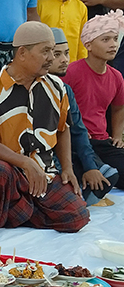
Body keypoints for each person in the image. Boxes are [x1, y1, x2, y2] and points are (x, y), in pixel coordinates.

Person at [0, 22, 89, 232]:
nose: (51, 58)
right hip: (9, 174)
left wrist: (68, 169)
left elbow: (63, 129)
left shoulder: (57, 87)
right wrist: (25, 163)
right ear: (22, 53)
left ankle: (9, 212)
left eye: (53, 51)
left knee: (78, 216)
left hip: (45, 174)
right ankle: (15, 209)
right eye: (46, 51)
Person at [48, 27, 118, 205]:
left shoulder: (64, 89)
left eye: (66, 53)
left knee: (107, 176)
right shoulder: (19, 89)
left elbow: (78, 131)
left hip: (76, 147)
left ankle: (78, 189)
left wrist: (90, 167)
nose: (64, 60)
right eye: (57, 54)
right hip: (40, 159)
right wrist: (65, 168)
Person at [62, 11, 124, 191]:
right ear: (88, 44)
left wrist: (118, 136)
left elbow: (119, 108)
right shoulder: (71, 72)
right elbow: (59, 109)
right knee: (102, 180)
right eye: (105, 40)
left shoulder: (116, 77)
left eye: (115, 38)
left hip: (102, 141)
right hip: (75, 142)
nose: (113, 45)